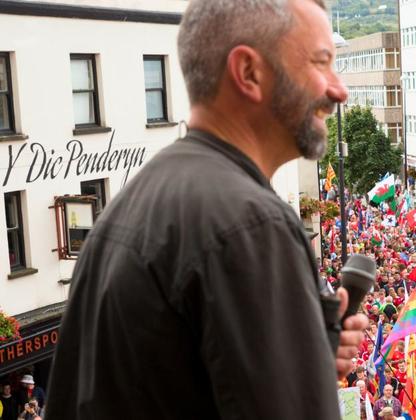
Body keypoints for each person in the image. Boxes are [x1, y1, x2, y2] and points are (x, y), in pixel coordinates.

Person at [45, 0, 367, 418]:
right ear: (249, 72)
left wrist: (303, 355)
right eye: (321, 63)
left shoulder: (126, 204)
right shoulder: (250, 223)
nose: (338, 89)